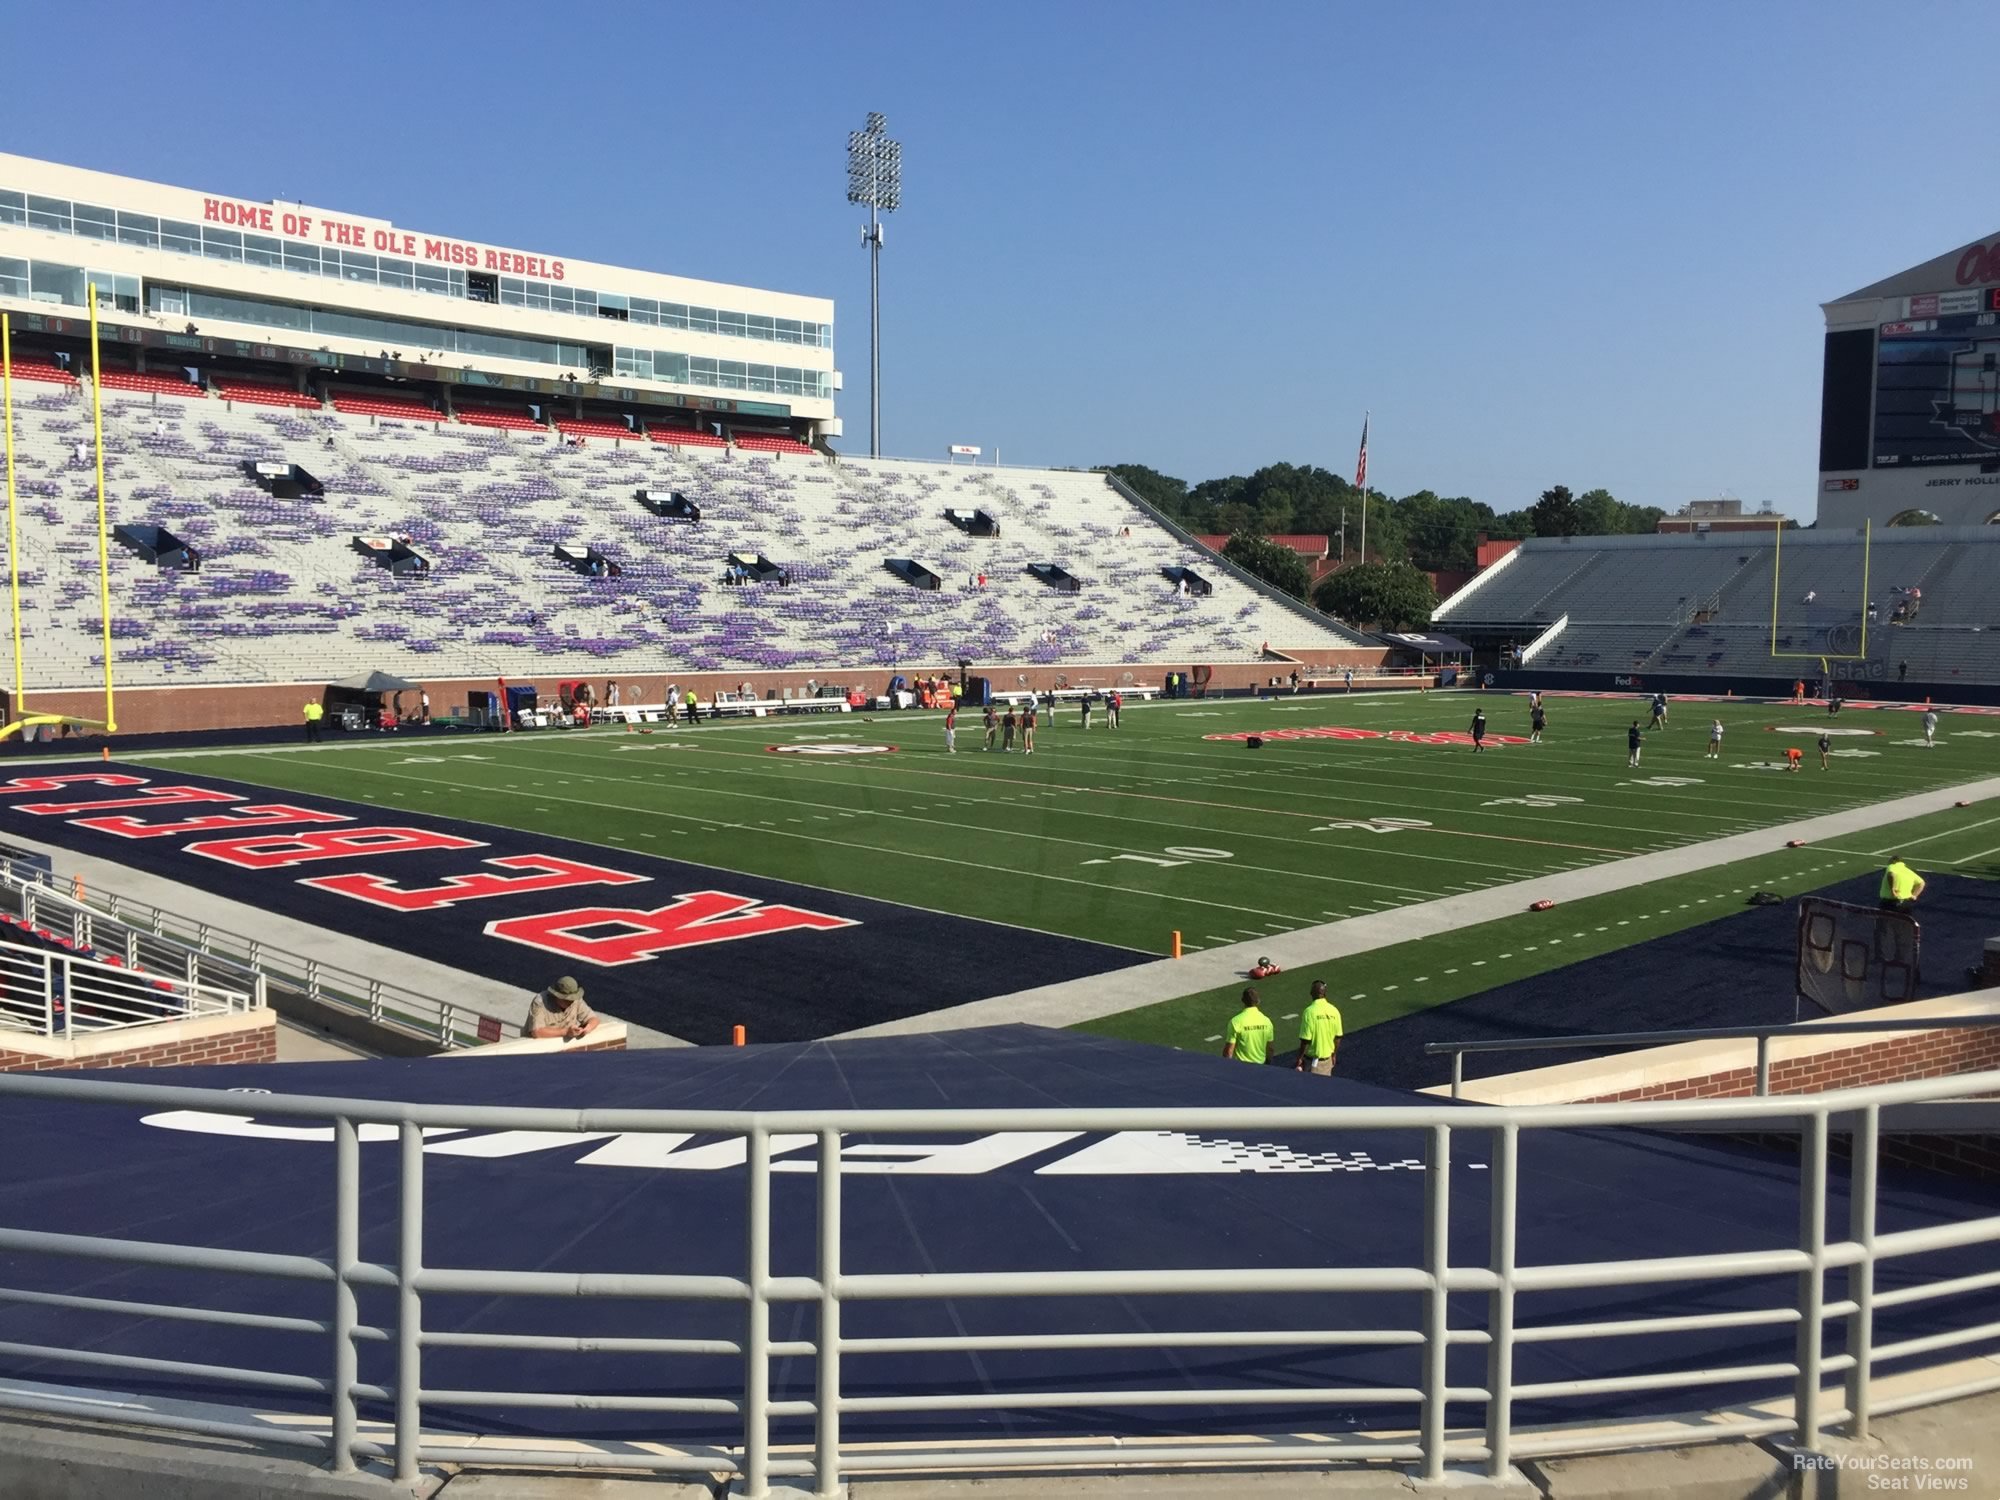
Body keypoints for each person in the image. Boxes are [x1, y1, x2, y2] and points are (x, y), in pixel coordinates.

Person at [525, 975, 599, 1040]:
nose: (571, 1002)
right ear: (557, 996)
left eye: (572, 999)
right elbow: (537, 1032)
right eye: (567, 999)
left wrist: (588, 1028)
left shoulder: (576, 1000)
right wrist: (566, 1032)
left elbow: (593, 1019)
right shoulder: (540, 1002)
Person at [1295, 980, 1344, 1076]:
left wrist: (1300, 1057)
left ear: (1311, 993)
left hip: (1313, 1063)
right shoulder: (1334, 1011)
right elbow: (1338, 1037)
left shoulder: (1309, 1012)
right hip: (1327, 1061)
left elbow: (1305, 1039)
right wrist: (1334, 1054)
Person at [1222, 987, 1274, 1065]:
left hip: (1242, 1069)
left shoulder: (1235, 1022)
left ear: (1243, 1001)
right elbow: (1270, 1049)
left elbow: (1228, 1052)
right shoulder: (1267, 1021)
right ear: (1258, 1001)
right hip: (1261, 1067)